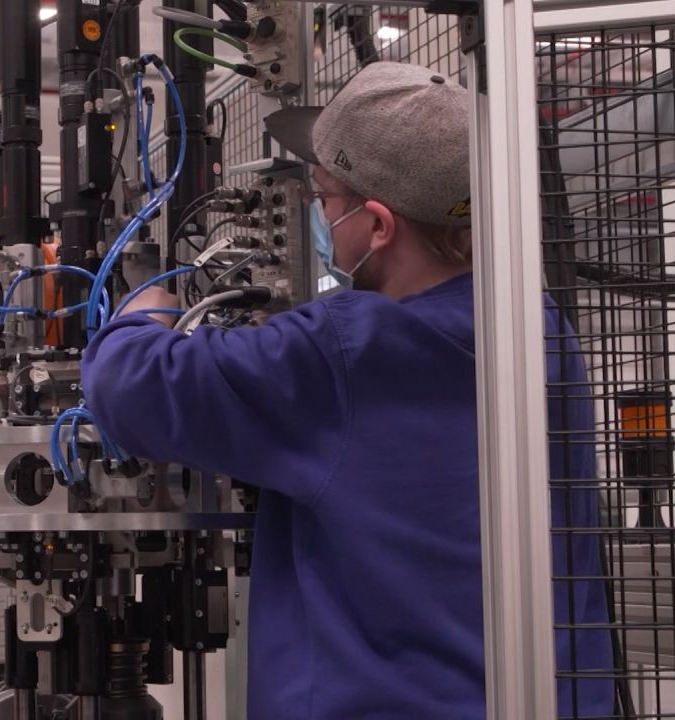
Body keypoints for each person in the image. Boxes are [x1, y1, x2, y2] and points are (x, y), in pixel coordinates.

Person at [81, 62, 614, 718]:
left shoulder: (345, 348)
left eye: (326, 198)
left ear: (379, 226)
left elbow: (129, 386)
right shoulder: (538, 325)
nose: (318, 214)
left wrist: (146, 309)